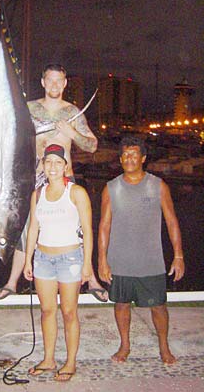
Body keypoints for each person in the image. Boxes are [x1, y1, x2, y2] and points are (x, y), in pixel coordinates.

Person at [0, 63, 105, 301]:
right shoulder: (28, 109)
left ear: (64, 84)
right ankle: (12, 283)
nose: (54, 85)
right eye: (49, 80)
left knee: (78, 231)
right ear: (43, 82)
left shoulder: (73, 112)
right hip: (33, 181)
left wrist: (71, 133)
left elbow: (92, 145)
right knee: (24, 231)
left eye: (58, 81)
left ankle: (91, 279)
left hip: (64, 179)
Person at [98, 136, 185, 365]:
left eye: (134, 154)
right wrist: (102, 260)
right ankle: (124, 345)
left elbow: (172, 221)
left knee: (158, 307)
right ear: (120, 159)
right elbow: (104, 226)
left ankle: (164, 347)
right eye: (125, 155)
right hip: (120, 260)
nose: (129, 158)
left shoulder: (158, 185)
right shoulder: (111, 188)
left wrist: (178, 256)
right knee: (121, 305)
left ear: (143, 158)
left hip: (151, 260)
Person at [24, 144, 94, 382]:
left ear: (66, 166)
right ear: (42, 165)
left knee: (68, 311)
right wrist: (28, 260)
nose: (52, 167)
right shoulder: (37, 194)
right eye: (48, 162)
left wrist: (87, 265)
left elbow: (87, 230)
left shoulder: (76, 192)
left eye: (57, 162)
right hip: (43, 258)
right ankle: (49, 358)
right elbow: (33, 227)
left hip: (70, 259)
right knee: (47, 311)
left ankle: (71, 361)